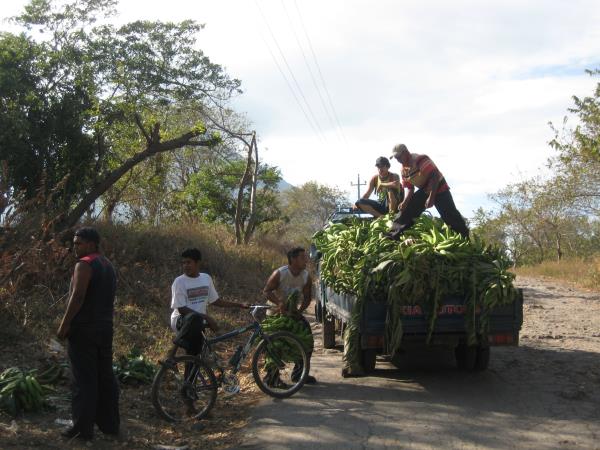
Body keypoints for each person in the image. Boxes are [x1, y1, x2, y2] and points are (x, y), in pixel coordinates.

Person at [57, 227, 120, 441]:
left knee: (84, 379)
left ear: (92, 244)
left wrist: (65, 324)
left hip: (84, 329)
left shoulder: (84, 264)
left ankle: (82, 429)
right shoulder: (107, 265)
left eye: (79, 243)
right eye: (74, 243)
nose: (75, 247)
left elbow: (78, 296)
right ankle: (110, 425)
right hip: (105, 328)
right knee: (105, 376)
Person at [385, 143, 469, 239]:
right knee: (408, 208)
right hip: (425, 189)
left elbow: (434, 176)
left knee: (449, 214)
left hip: (439, 187)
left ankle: (464, 238)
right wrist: (405, 202)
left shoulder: (420, 159)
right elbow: (410, 188)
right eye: (396, 158)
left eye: (399, 157)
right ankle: (393, 235)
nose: (398, 160)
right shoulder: (404, 170)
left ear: (406, 152)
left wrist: (431, 197)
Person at [263, 247, 317, 384]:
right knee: (275, 345)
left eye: (306, 257)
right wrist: (279, 302)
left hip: (292, 313)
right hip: (276, 313)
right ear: (293, 259)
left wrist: (299, 311)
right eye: (302, 257)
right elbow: (267, 291)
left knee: (307, 341)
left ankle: (299, 374)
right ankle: (272, 377)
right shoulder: (280, 273)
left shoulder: (305, 276)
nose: (306, 260)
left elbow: (307, 298)